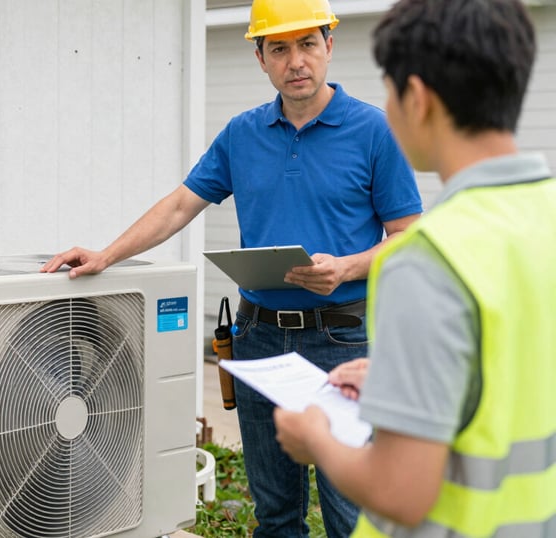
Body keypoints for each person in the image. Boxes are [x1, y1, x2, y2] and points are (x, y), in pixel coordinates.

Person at [42, 0, 422, 535]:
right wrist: (107, 254)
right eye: (280, 48)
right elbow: (180, 205)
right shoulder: (241, 134)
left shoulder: (374, 132)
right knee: (275, 512)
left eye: (308, 44)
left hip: (344, 341)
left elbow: (408, 238)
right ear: (260, 58)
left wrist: (350, 267)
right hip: (260, 338)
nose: (296, 61)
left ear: (329, 46)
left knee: (352, 513)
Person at [274, 0, 556, 536]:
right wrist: (401, 381)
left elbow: (400, 493)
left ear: (417, 98)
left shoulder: (426, 259)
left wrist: (317, 441)